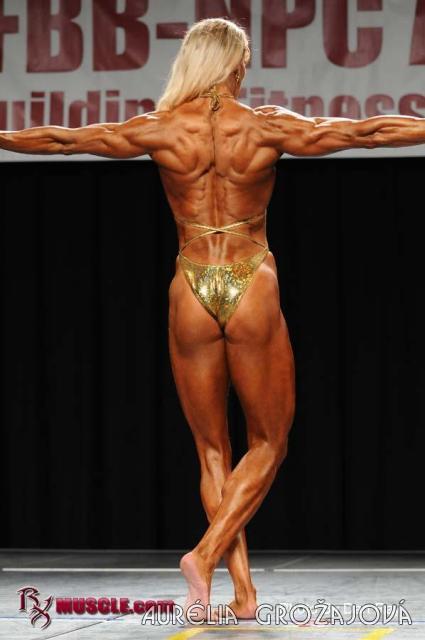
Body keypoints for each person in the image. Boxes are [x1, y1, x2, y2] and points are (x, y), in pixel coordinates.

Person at [1, 16, 425, 622]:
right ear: (236, 64)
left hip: (191, 286)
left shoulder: (160, 129)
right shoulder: (263, 126)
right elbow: (366, 130)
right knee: (269, 443)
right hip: (250, 279)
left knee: (210, 450)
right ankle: (203, 556)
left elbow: (64, 141)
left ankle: (243, 594)